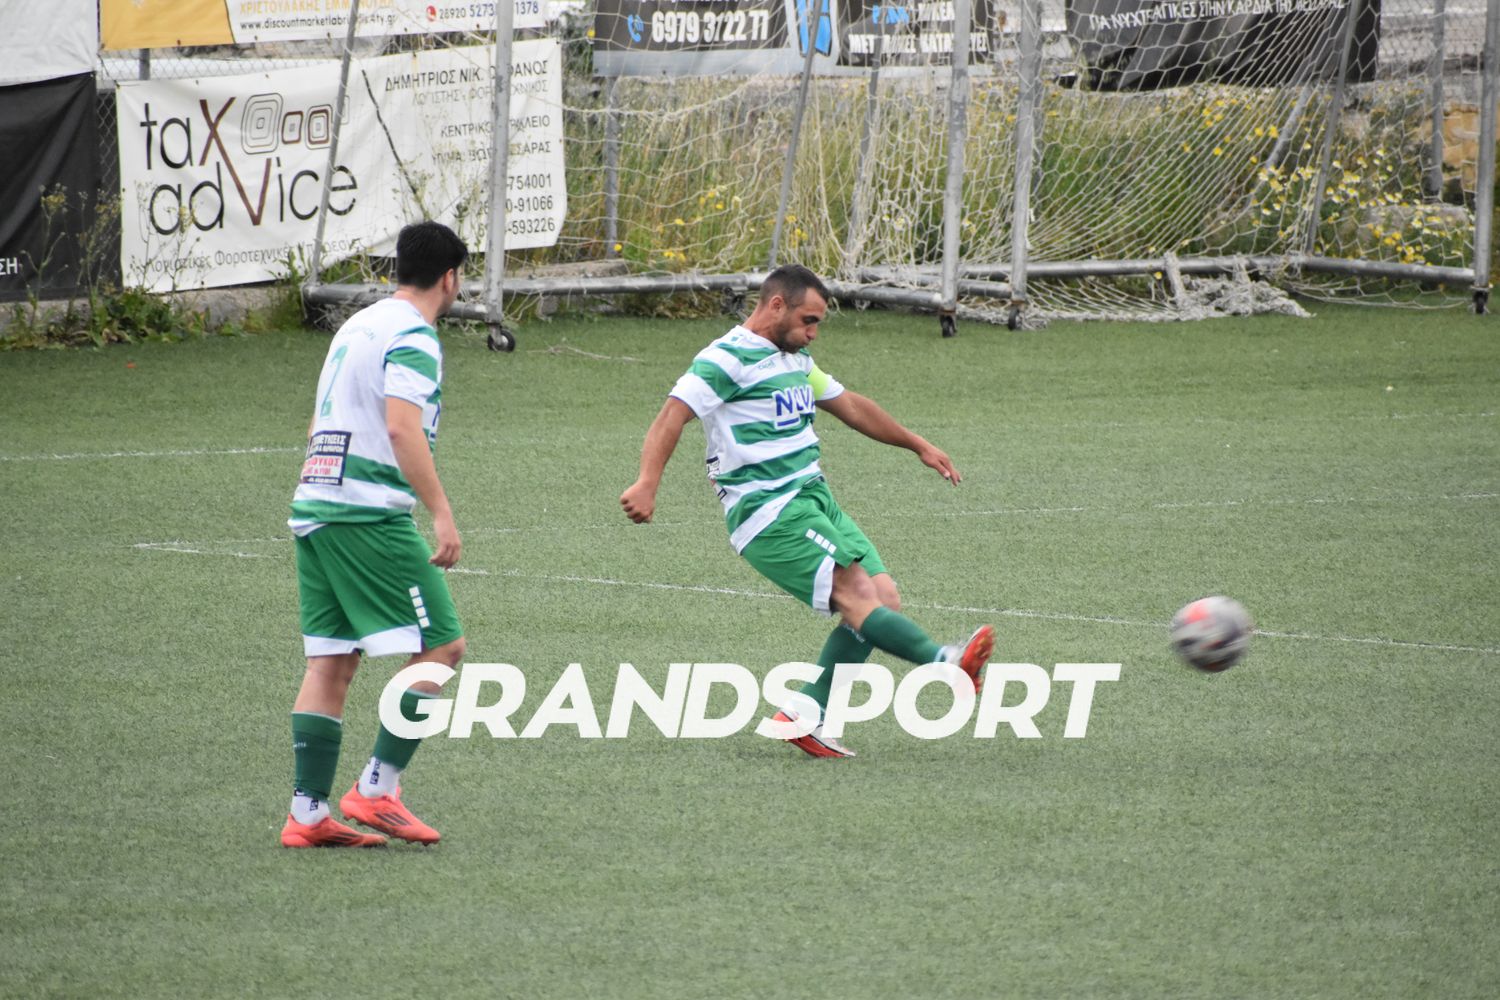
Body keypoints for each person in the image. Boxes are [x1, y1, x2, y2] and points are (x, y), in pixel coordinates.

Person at [620, 264, 994, 758]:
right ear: (777, 305)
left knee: (883, 597)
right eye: (808, 321)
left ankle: (804, 714)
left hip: (815, 499)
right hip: (771, 511)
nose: (813, 332)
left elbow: (850, 405)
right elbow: (672, 416)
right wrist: (648, 482)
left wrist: (916, 444)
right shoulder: (726, 359)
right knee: (859, 594)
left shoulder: (794, 358)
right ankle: (945, 663)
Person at [280, 221, 469, 847]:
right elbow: (401, 428)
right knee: (443, 647)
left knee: (332, 662)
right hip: (365, 513)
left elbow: (318, 421)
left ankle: (307, 815)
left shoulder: (357, 325)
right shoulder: (414, 333)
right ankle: (377, 790)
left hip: (317, 504)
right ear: (450, 278)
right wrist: (440, 512)